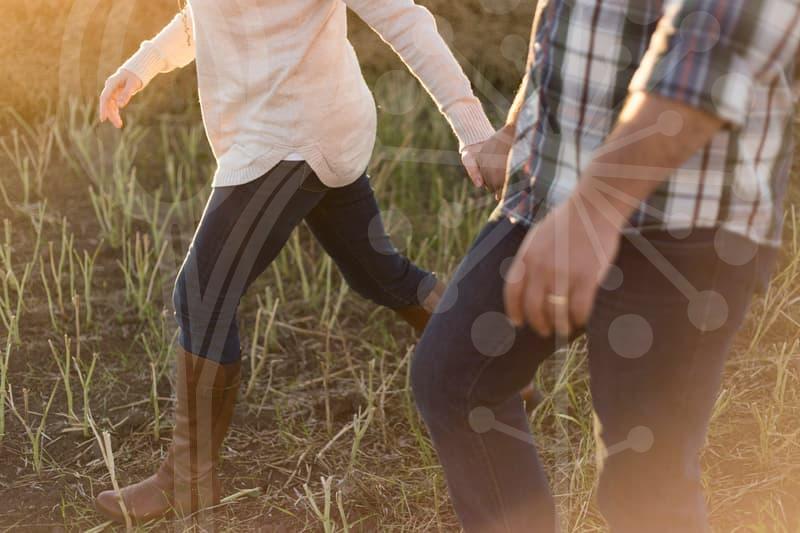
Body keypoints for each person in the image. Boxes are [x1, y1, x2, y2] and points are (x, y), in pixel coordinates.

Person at [93, 0, 498, 524]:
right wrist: (141, 66)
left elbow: (404, 20)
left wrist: (475, 131)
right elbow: (204, 18)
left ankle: (187, 481)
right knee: (378, 275)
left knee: (201, 295)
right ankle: (488, 363)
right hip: (303, 126)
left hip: (293, 136)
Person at [411, 1, 799, 531]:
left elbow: (713, 50)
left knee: (643, 477)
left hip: (684, 219)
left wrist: (594, 209)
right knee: (455, 377)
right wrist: (515, 126)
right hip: (552, 194)